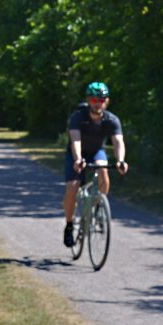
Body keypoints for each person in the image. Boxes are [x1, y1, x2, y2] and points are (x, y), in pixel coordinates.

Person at [63, 82, 129, 247]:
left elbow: (118, 142)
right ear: (88, 100)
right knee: (73, 185)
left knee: (103, 171)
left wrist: (120, 160)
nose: (97, 103)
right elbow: (75, 140)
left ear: (106, 101)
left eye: (101, 99)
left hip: (96, 152)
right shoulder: (78, 117)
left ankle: (99, 207)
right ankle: (69, 225)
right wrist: (78, 159)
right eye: (93, 99)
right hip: (76, 154)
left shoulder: (112, 120)